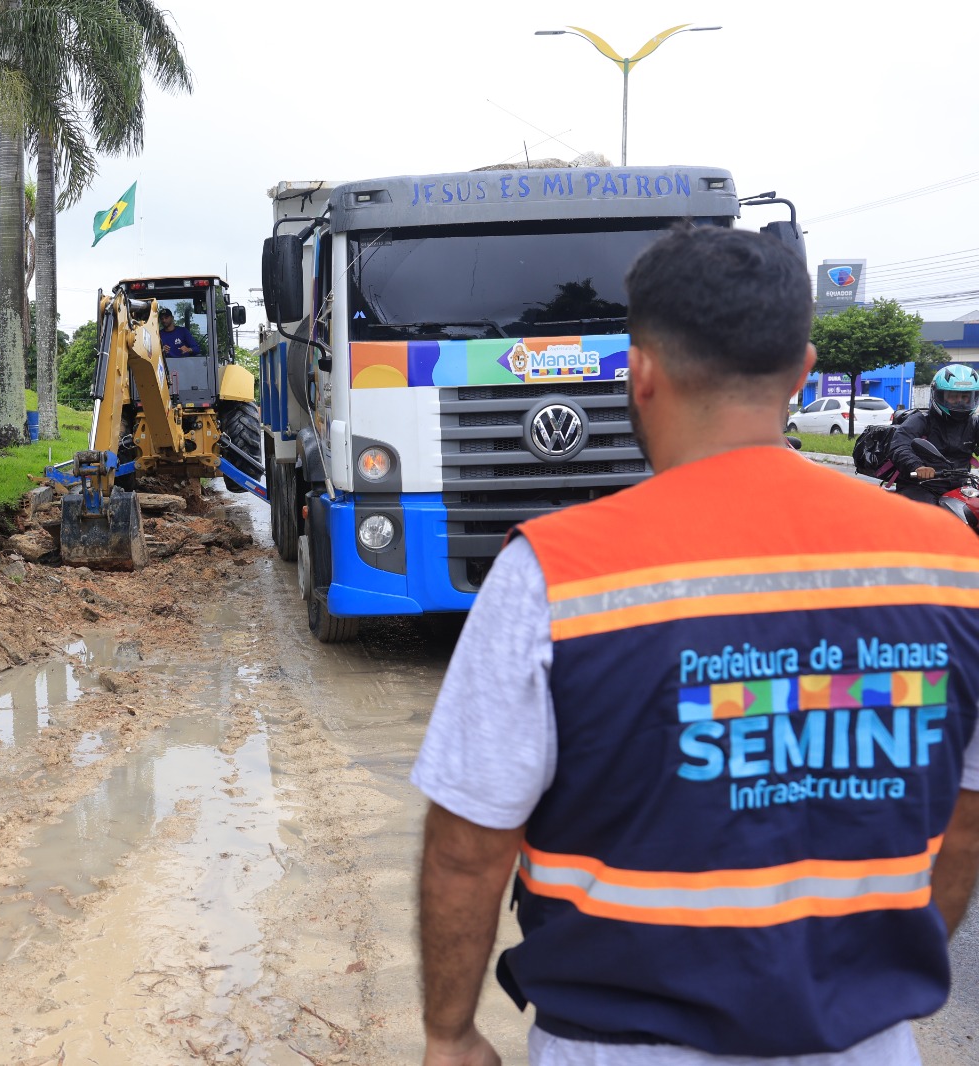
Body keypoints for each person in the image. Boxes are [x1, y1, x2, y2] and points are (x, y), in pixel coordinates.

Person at [411, 226, 979, 1066]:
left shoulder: (551, 572)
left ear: (641, 372)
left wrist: (449, 1033)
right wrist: (861, 987)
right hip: (864, 1042)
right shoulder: (953, 567)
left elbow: (468, 850)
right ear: (802, 368)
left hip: (616, 1044)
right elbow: (964, 827)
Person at [889, 364, 979, 501]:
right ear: (937, 394)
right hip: (921, 485)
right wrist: (917, 466)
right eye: (953, 396)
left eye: (965, 397)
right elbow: (900, 445)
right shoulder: (921, 420)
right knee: (928, 518)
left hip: (960, 486)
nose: (959, 402)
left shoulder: (974, 423)